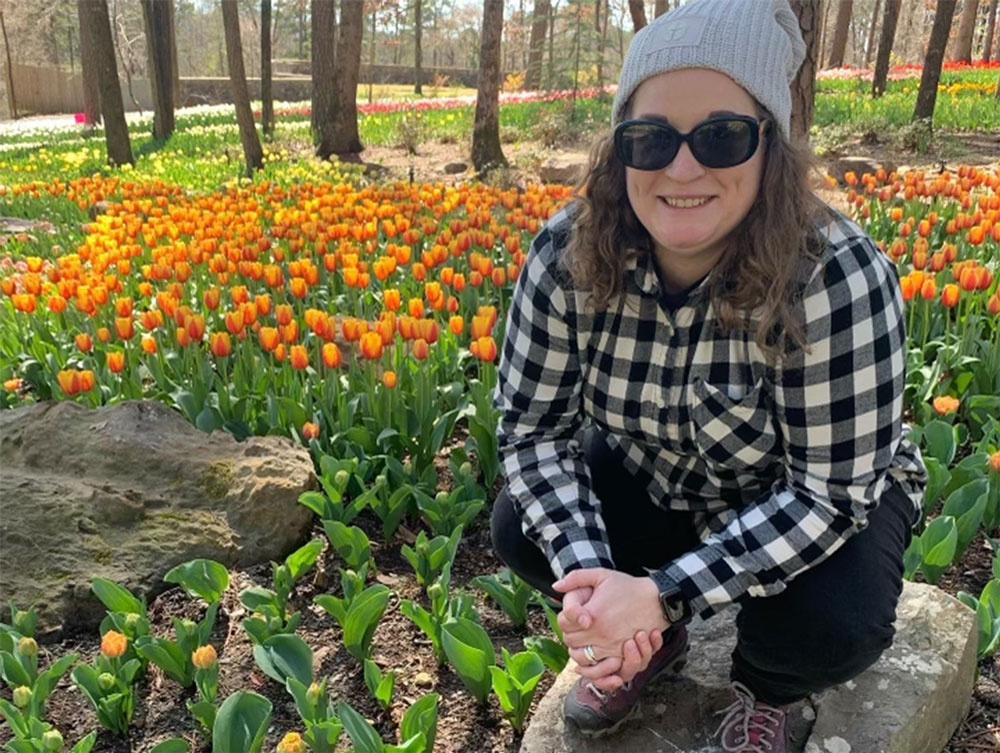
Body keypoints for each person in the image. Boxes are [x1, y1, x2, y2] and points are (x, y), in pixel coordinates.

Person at [490, 0, 928, 749]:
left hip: (813, 501)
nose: (682, 167)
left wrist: (660, 592)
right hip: (660, 474)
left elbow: (828, 492)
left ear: (771, 146)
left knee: (833, 624)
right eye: (651, 138)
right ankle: (652, 647)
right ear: (619, 150)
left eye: (721, 137)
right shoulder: (567, 256)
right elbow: (534, 431)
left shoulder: (835, 275)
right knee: (522, 530)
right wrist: (600, 585)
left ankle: (769, 687)